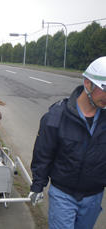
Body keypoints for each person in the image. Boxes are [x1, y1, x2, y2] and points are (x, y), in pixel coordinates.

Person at [29, 56, 106, 229]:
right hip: (63, 195)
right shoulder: (56, 117)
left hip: (94, 196)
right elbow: (43, 154)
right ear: (88, 84)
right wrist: (38, 185)